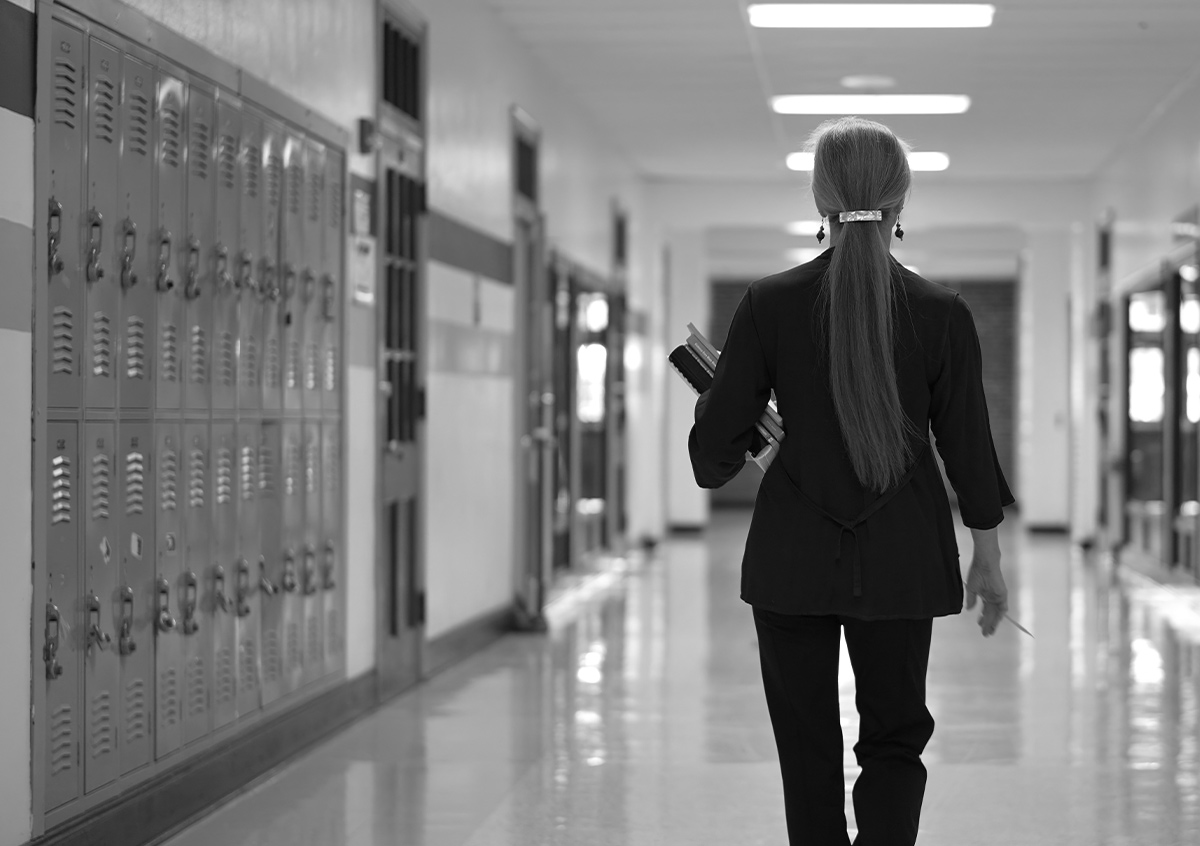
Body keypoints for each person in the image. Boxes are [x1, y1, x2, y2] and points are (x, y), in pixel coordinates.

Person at [688, 116, 1015, 846]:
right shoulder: (942, 314)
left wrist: (724, 416)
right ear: (901, 203)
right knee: (895, 742)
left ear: (819, 201)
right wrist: (988, 559)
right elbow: (968, 448)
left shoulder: (768, 303)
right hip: (905, 557)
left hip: (791, 560)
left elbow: (714, 452)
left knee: (806, 751)